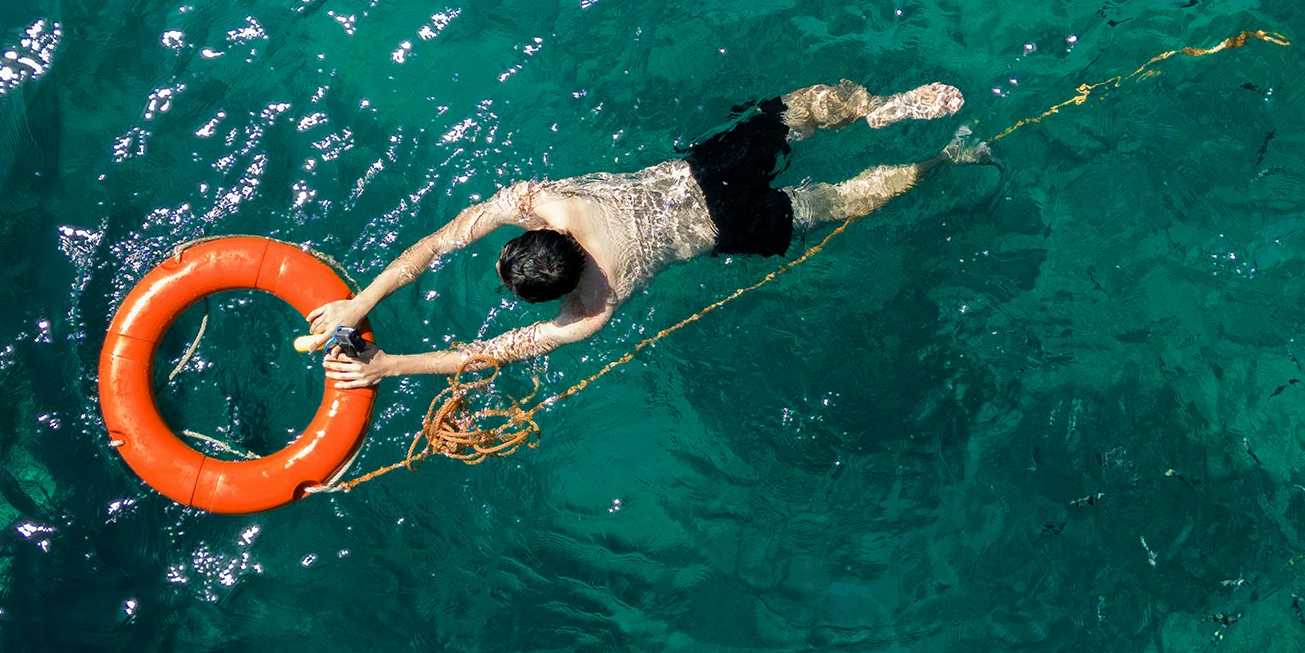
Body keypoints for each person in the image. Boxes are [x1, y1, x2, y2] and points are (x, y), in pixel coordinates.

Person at [305, 80, 985, 386]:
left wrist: (389, 365)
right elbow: (437, 243)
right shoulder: (548, 201)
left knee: (837, 201)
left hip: (726, 228)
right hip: (702, 175)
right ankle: (871, 110)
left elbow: (490, 354)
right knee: (799, 111)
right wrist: (357, 305)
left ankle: (945, 158)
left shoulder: (590, 310)